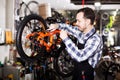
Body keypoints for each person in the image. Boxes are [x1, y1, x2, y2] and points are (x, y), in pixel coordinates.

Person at [49, 7, 103, 80]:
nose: (76, 23)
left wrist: (66, 39)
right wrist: (57, 25)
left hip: (86, 75)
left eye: (79, 21)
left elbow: (80, 56)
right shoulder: (81, 32)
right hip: (76, 71)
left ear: (87, 22)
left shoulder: (95, 39)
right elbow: (68, 27)